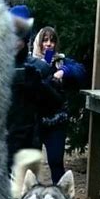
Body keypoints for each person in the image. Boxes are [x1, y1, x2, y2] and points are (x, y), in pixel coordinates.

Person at [6, 7, 64, 173]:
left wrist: (39, 86)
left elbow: (55, 104)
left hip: (29, 142)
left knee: (25, 190)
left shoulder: (38, 68)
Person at [32, 25, 86, 183]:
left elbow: (80, 70)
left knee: (56, 162)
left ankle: (60, 197)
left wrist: (63, 71)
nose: (48, 44)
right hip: (35, 121)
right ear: (39, 42)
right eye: (45, 40)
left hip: (57, 121)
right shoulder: (31, 61)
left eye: (52, 40)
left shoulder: (61, 61)